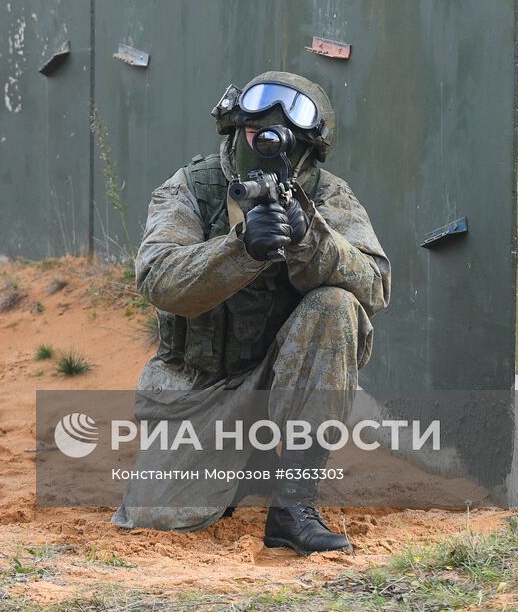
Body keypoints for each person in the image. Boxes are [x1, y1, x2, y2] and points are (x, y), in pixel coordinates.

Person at [111, 71, 390, 555]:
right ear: (234, 127)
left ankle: (293, 503)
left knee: (337, 305)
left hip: (278, 376)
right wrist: (241, 251)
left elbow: (376, 284)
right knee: (158, 518)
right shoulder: (191, 187)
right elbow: (157, 279)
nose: (264, 143)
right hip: (200, 390)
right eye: (253, 131)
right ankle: (244, 464)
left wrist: (312, 240)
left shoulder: (327, 195)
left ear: (305, 148)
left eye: (280, 137)